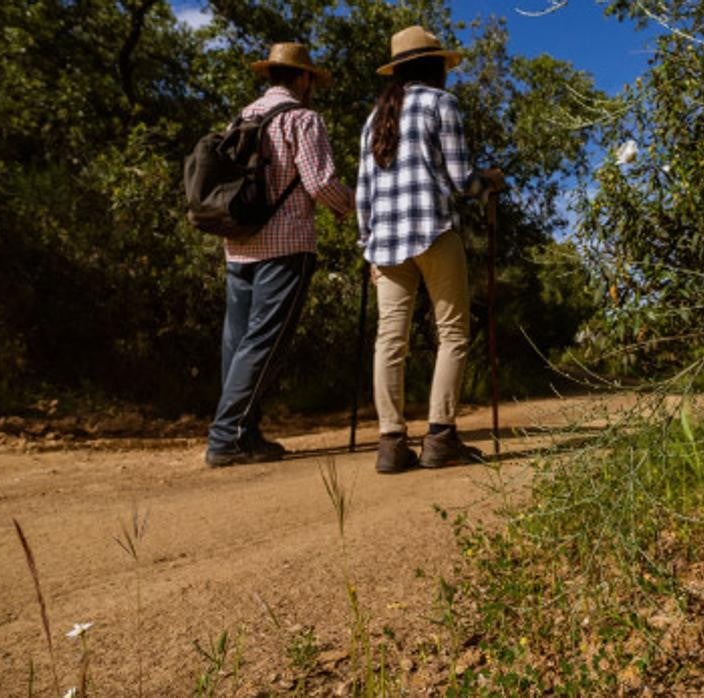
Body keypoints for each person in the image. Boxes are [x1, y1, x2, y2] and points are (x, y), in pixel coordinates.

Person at [356, 25, 505, 474]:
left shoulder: (375, 117)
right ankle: (440, 436)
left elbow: (364, 191)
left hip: (385, 243)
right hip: (435, 232)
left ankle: (390, 441)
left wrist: (367, 248)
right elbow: (462, 179)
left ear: (399, 70)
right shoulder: (442, 104)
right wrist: (491, 183)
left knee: (390, 340)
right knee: (453, 333)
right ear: (436, 65)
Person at [205, 43, 354, 468]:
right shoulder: (303, 119)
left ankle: (244, 432)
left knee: (237, 342)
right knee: (264, 341)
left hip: (238, 242)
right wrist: (354, 204)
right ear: (303, 78)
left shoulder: (244, 115)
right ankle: (225, 437)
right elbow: (320, 183)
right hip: (285, 245)